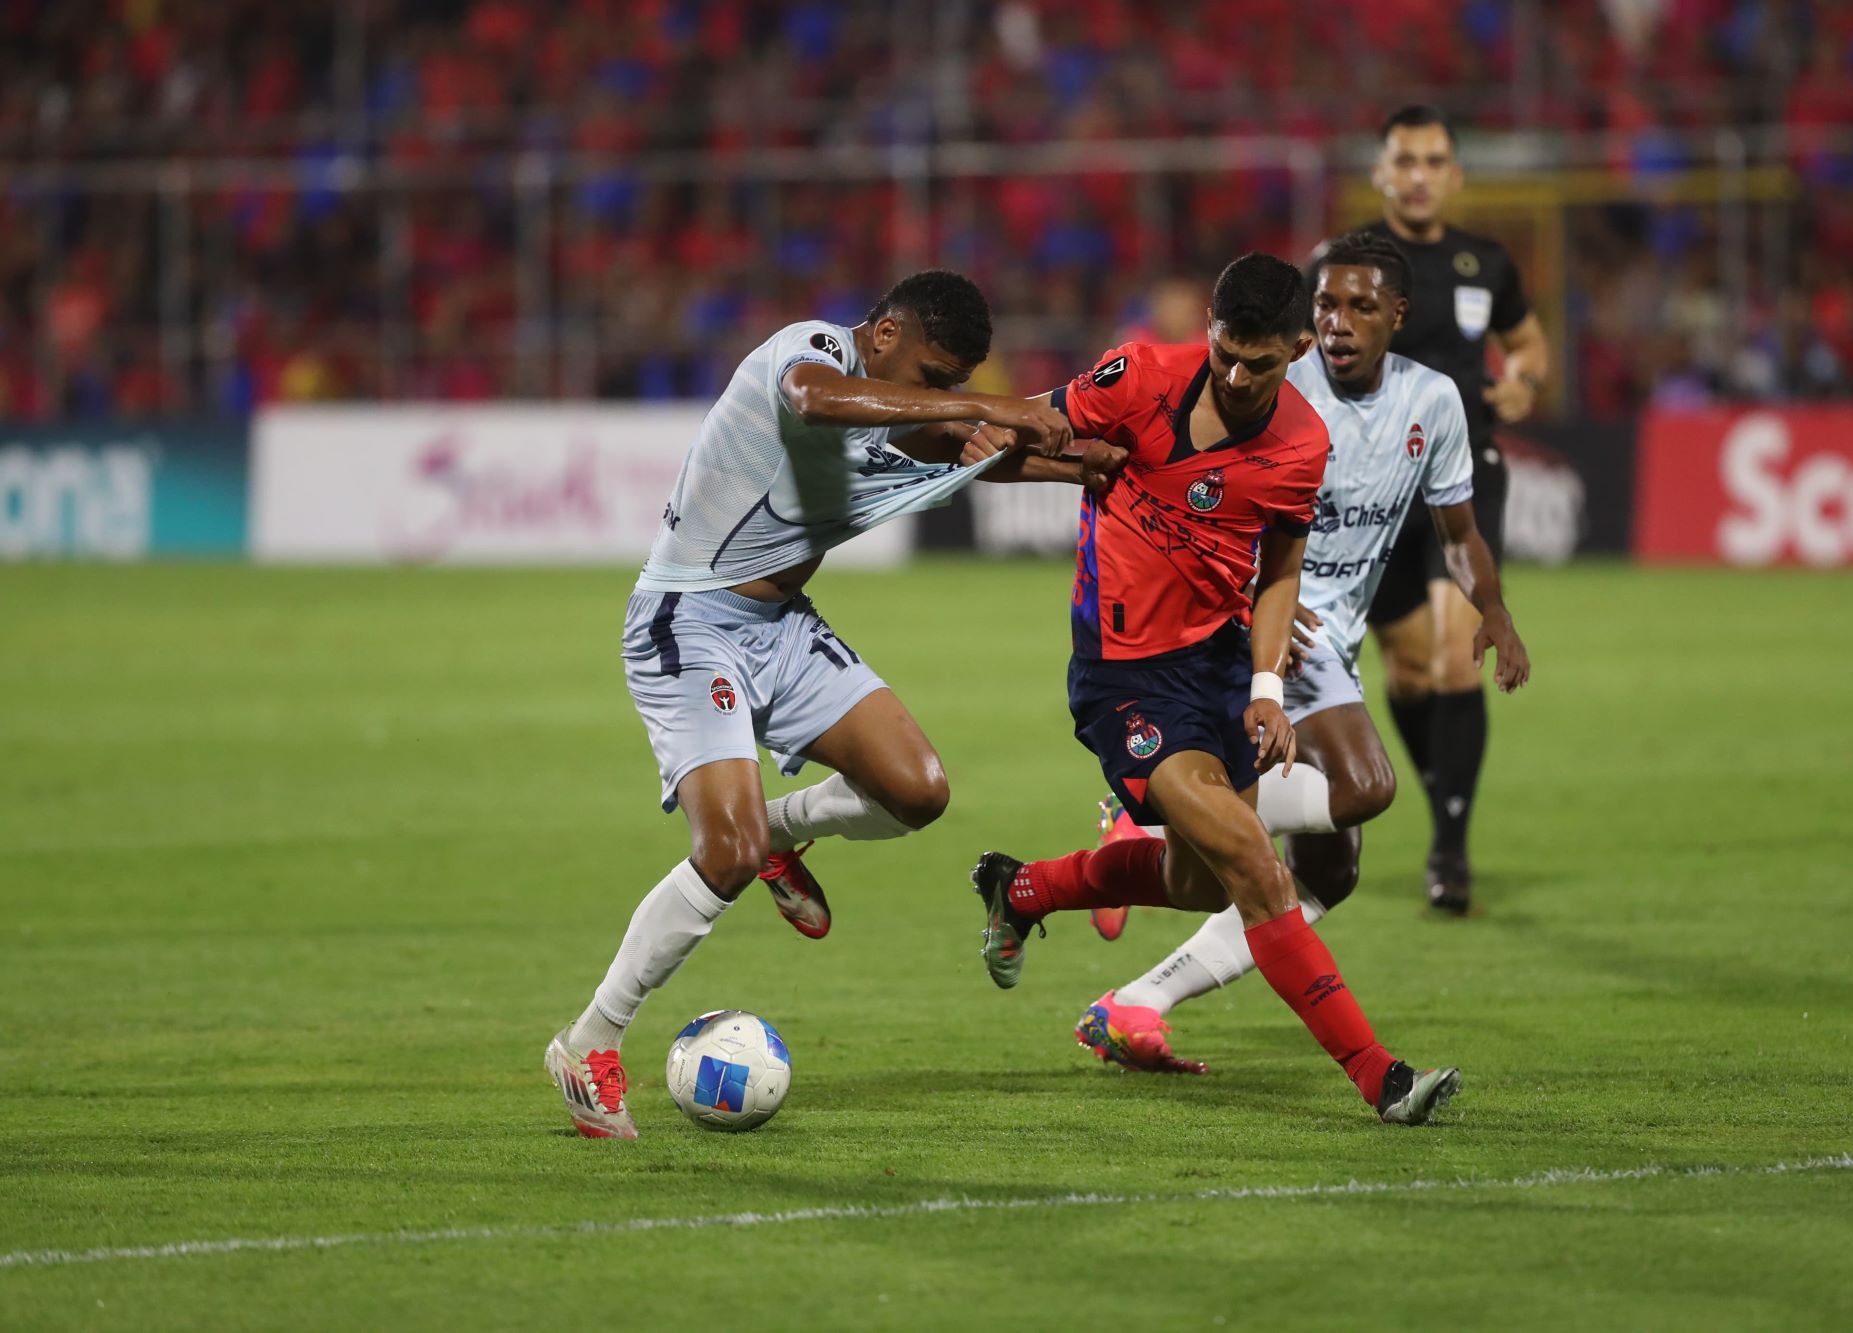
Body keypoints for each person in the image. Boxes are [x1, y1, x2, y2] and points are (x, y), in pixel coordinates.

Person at [547, 270, 1077, 1139]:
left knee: (918, 789)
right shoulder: (814, 352)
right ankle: (590, 1041)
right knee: (722, 850)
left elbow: (1002, 455)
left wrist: (1098, 467)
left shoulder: (900, 409)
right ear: (883, 335)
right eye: (935, 374)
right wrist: (1007, 406)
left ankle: (780, 834)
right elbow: (814, 400)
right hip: (693, 616)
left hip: (782, 628)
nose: (942, 396)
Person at [963, 252, 1462, 1126]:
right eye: (1225, 351)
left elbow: (1280, 572)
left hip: (1221, 666)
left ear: (1298, 347)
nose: (1234, 374)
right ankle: (1381, 1076)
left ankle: (1026, 887)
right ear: (1209, 326)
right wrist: (1063, 463)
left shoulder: (1303, 444)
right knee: (1257, 867)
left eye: (1259, 362)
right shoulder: (1135, 376)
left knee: (1195, 882)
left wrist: (1268, 687)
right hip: (1123, 675)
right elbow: (999, 443)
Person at [1075, 231, 1530, 1075]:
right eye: (1328, 304)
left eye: (1362, 306)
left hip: (1336, 637)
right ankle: (1162, 803)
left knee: (1332, 870)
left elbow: (1457, 528)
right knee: (1365, 785)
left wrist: (1492, 607)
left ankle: (1139, 997)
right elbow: (1203, 513)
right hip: (1271, 631)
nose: (1341, 321)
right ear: (1305, 325)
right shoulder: (1268, 389)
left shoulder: (1431, 401)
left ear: (1398, 314)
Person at [1352, 103, 1550, 914]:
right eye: (1406, 160)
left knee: (1447, 644)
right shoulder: (1349, 263)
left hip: (1467, 472)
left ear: (1456, 175)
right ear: (1381, 172)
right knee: (1404, 665)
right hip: (1375, 480)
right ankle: (1445, 813)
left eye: (1435, 160)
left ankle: (1450, 849)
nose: (1421, 174)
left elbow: (1530, 342)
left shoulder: (1486, 263)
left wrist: (1525, 381)